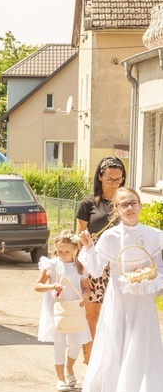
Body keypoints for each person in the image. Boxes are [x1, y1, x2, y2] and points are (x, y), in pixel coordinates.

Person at [79, 187, 163, 392]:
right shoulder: (111, 237)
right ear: (115, 209)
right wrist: (87, 247)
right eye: (123, 204)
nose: (129, 208)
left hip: (143, 299)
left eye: (133, 203)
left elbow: (158, 267)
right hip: (118, 299)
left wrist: (151, 280)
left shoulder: (155, 235)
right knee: (118, 346)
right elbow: (95, 270)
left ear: (141, 205)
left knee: (141, 348)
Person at [75, 156, 125, 370]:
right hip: (95, 265)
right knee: (91, 316)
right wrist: (78, 267)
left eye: (119, 179)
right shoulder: (88, 204)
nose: (114, 184)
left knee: (117, 316)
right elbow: (79, 235)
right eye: (110, 179)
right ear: (100, 177)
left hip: (118, 265)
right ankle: (90, 363)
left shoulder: (125, 202)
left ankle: (113, 364)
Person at [34, 231, 91, 392]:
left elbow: (87, 288)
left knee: (75, 343)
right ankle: (60, 379)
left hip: (75, 308)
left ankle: (69, 368)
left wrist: (85, 297)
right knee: (59, 343)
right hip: (57, 307)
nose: (63, 255)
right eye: (60, 251)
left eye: (67, 251)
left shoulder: (79, 266)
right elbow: (37, 286)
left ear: (75, 249)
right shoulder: (51, 265)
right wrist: (52, 286)